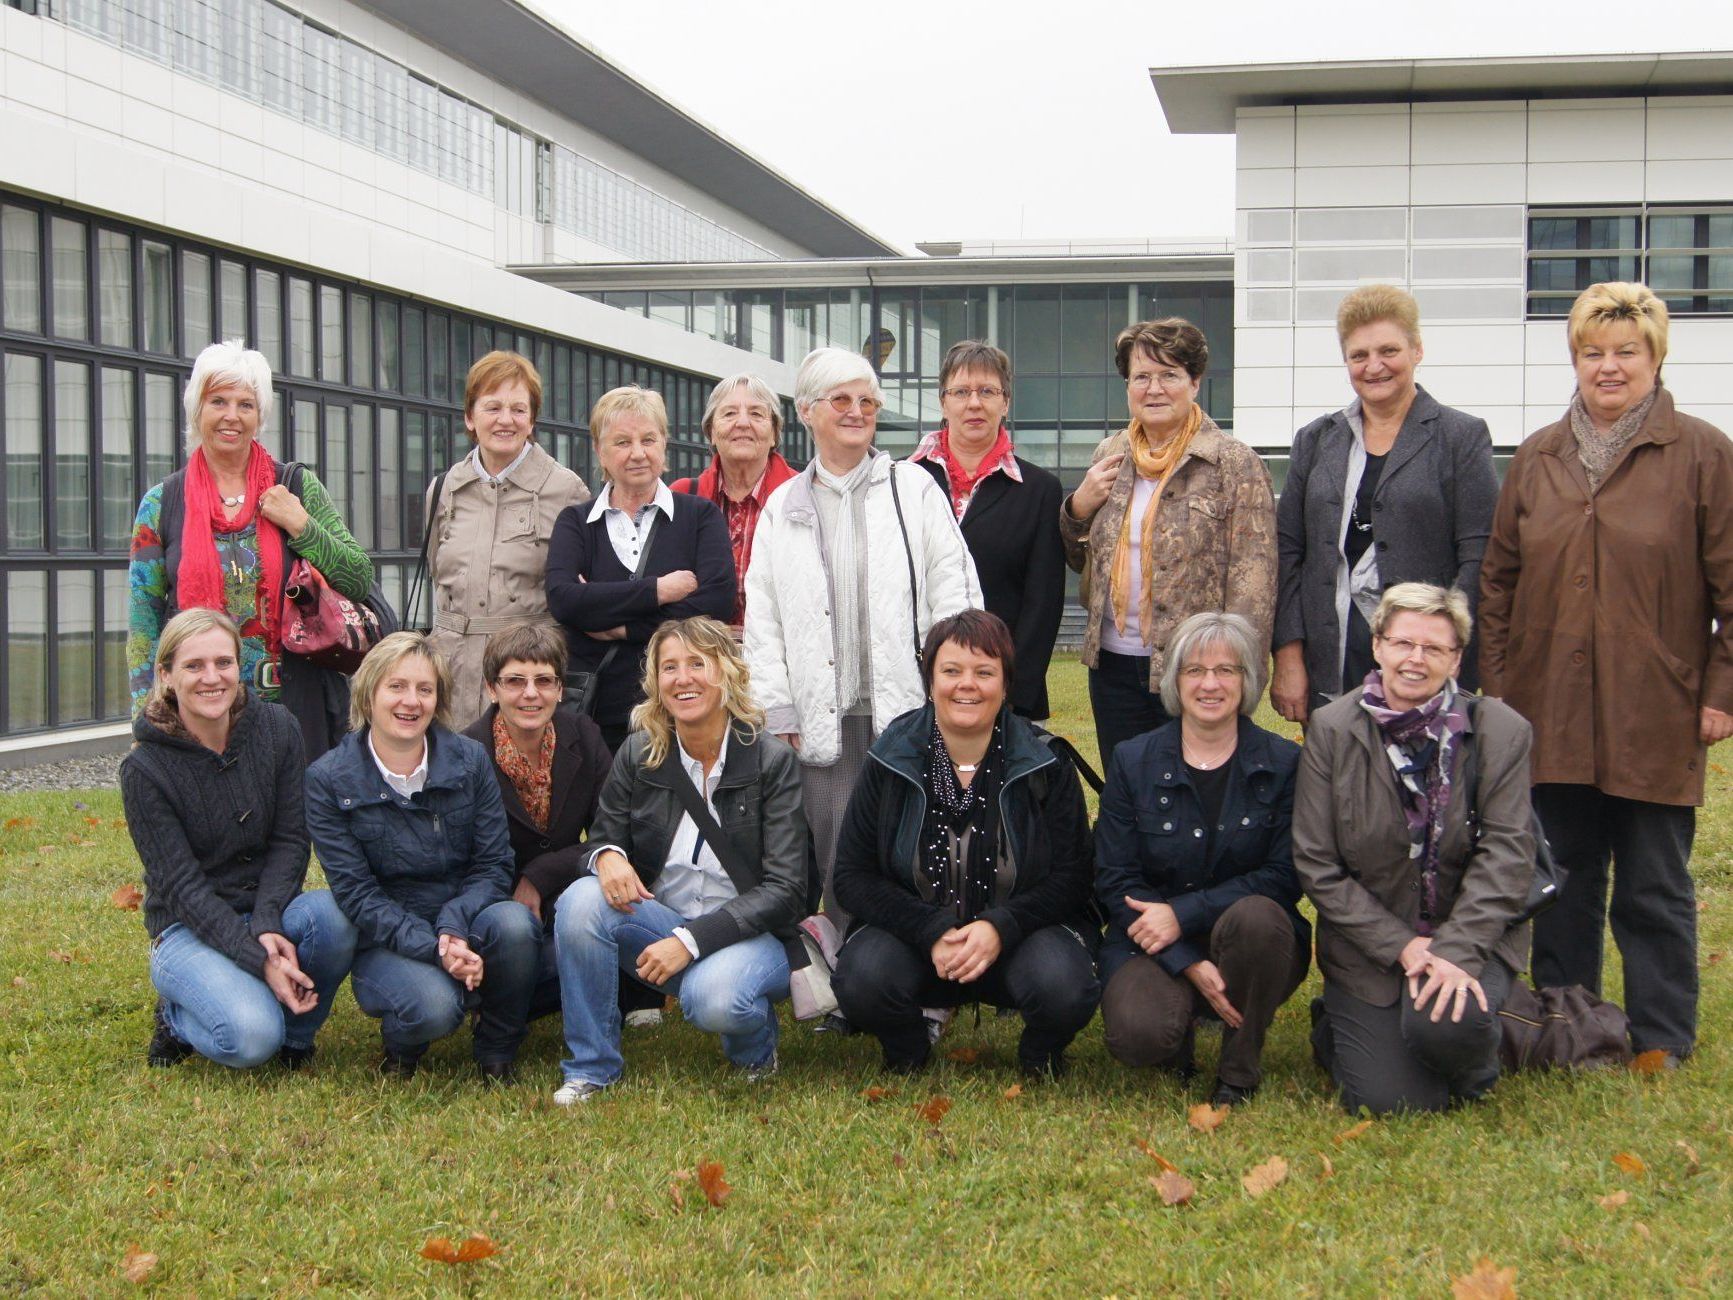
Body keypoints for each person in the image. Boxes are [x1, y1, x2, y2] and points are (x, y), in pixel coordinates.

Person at [1480, 281, 1733, 1067]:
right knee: (1562, 878)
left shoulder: (1702, 454)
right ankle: (1570, 1025)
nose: (1608, 367)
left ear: (1655, 358)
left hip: (1655, 707)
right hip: (1547, 708)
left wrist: (1720, 693)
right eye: (1591, 352)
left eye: (1626, 351)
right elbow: (1497, 583)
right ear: (1574, 360)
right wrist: (1499, 692)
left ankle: (1661, 1036)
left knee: (1653, 882)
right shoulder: (1537, 457)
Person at [745, 347, 980, 928]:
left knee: (922, 841)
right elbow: (764, 618)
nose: (857, 411)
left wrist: (957, 687)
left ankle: (927, 963)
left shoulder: (914, 489)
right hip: (824, 718)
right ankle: (849, 960)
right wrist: (778, 706)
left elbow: (954, 590)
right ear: (806, 411)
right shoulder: (783, 506)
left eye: (867, 401)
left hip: (908, 708)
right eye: (842, 399)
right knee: (838, 853)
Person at [550, 616, 811, 1103]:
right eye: (669, 667)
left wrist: (691, 942)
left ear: (727, 672)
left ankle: (755, 1051)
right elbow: (602, 838)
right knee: (581, 900)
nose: (682, 678)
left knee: (712, 998)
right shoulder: (639, 752)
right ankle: (591, 1068)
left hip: (751, 933)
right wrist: (606, 856)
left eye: (697, 664)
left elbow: (787, 889)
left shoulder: (771, 760)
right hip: (663, 921)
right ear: (655, 681)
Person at [1296, 584, 1534, 1114]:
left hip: (1468, 934)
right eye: (1403, 643)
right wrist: (1402, 946)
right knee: (1394, 1101)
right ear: (1378, 645)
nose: (1415, 659)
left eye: (1434, 648)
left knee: (1447, 1030)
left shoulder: (1501, 731)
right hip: (1370, 946)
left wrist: (1456, 951)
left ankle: (1478, 1054)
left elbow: (1507, 852)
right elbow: (1317, 863)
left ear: (1456, 659)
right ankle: (1338, 1029)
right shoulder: (1332, 729)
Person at [831, 610, 1099, 1076]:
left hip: (1021, 939)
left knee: (1064, 986)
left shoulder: (1045, 761)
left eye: (984, 672)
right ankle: (906, 1048)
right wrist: (929, 928)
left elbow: (1075, 876)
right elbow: (852, 877)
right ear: (930, 680)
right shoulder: (890, 757)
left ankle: (1041, 1054)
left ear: (1006, 684)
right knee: (862, 979)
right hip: (917, 942)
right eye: (951, 670)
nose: (966, 685)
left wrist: (1001, 926)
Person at [121, 608, 356, 1070]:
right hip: (186, 926)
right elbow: (182, 887)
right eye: (193, 666)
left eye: (223, 662)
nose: (212, 678)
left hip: (268, 909)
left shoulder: (278, 728)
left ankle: (295, 1035)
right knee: (250, 1039)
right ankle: (175, 1018)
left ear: (238, 665)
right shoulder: (144, 769)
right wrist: (259, 958)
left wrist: (267, 924)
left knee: (336, 917)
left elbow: (291, 839)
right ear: (166, 676)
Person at [305, 632, 541, 1081]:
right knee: (435, 1007)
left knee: (514, 924)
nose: (411, 701)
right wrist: (435, 948)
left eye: (425, 689)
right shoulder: (328, 779)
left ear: (438, 699)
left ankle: (497, 1049)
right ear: (368, 694)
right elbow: (356, 893)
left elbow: (494, 864)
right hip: (386, 935)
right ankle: (402, 1045)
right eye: (396, 686)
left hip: (465, 918)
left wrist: (453, 926)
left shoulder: (471, 760)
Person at [1094, 612, 1307, 1106]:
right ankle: (1179, 1026)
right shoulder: (1132, 759)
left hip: (1250, 937)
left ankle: (1238, 1068)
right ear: (1175, 680)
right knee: (1139, 1036)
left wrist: (1184, 914)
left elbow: (1284, 877)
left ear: (1247, 681)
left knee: (1259, 918)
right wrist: (1185, 960)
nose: (1210, 684)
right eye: (1195, 670)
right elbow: (1114, 877)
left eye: (1226, 670)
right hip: (1151, 939)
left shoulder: (1284, 763)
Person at [128, 340, 372, 761]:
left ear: (260, 415)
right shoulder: (162, 502)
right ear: (197, 410)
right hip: (199, 710)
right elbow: (143, 623)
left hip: (295, 708)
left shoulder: (295, 487)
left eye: (246, 404)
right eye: (218, 401)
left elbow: (358, 577)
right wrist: (145, 720)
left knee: (295, 804)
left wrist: (301, 525)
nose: (232, 416)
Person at [1272, 286, 1498, 722]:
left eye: (1389, 351)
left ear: (1417, 350)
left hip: (1424, 666)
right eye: (1359, 355)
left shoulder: (1460, 437)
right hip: (1330, 660)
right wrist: (1289, 653)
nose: (1374, 366)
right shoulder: (1315, 440)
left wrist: (1446, 649)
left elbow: (1480, 556)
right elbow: (1288, 552)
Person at [1059, 318, 1275, 771]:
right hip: (1114, 666)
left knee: (1197, 787)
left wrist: (1239, 671)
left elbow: (1255, 582)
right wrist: (1078, 507)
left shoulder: (1234, 463)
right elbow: (1081, 560)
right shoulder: (1110, 456)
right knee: (1126, 783)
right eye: (1141, 376)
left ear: (1194, 382)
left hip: (1198, 667)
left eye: (1169, 375)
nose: (1154, 389)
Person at [545, 386, 735, 753]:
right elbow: (564, 600)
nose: (637, 453)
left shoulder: (699, 516)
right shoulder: (576, 522)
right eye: (622, 442)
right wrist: (658, 591)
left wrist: (621, 625)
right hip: (596, 718)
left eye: (648, 439)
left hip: (682, 713)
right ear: (600, 450)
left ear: (664, 443)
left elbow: (716, 604)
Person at [460, 623, 614, 1046]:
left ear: (560, 689)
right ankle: (502, 1002)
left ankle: (522, 996)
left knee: (613, 914)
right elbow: (461, 859)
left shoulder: (583, 734)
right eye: (515, 681)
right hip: (494, 908)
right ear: (492, 688)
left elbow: (613, 830)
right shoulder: (466, 753)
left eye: (544, 680)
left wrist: (540, 875)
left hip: (564, 891)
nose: (531, 694)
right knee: (520, 941)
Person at [425, 351, 590, 728]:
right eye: (492, 407)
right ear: (470, 417)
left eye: (518, 409)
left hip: (526, 682)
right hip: (449, 679)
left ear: (532, 420)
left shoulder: (566, 491)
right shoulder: (444, 490)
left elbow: (579, 596)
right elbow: (439, 573)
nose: (505, 420)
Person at [909, 340, 1065, 720]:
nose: (974, 403)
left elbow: (1042, 605)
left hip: (1004, 693)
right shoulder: (903, 481)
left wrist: (1010, 693)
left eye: (987, 391)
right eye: (961, 392)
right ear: (943, 402)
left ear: (1005, 402)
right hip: (911, 691)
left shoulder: (1040, 490)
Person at [670, 372, 798, 633]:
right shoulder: (682, 496)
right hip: (700, 652)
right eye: (729, 414)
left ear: (774, 434)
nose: (742, 423)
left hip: (781, 651)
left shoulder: (802, 497)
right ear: (711, 433)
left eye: (756, 414)